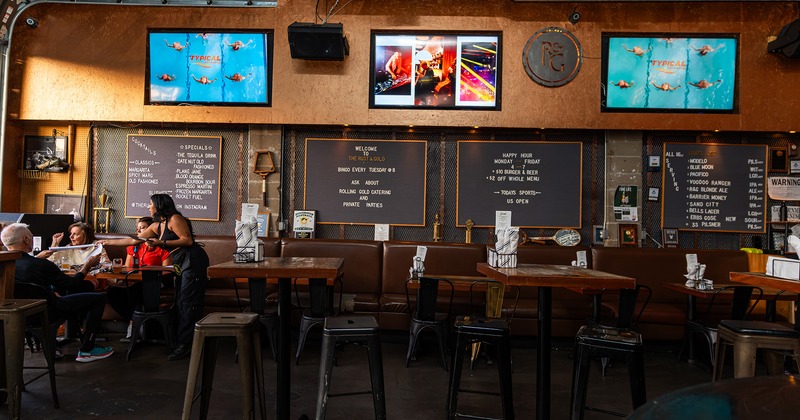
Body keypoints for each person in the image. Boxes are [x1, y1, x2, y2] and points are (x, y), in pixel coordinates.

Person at [101, 194, 209, 361]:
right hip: (182, 262)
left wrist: (162, 244)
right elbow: (133, 240)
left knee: (188, 302)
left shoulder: (175, 219)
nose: (148, 207)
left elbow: (187, 241)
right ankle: (183, 341)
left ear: (159, 205)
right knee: (181, 301)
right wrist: (105, 243)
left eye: (150, 204)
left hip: (193, 260)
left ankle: (186, 345)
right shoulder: (157, 226)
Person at [1, 223, 113, 363]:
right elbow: (71, 284)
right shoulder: (40, 265)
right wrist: (86, 267)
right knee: (97, 299)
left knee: (58, 293)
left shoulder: (4, 265)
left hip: (17, 317)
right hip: (48, 313)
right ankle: (87, 349)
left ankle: (54, 344)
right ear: (25, 240)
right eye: (31, 236)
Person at [106, 216, 173, 342]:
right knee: (113, 292)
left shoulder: (162, 248)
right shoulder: (133, 248)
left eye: (142, 228)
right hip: (134, 281)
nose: (138, 231)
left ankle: (136, 328)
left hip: (156, 282)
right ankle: (135, 321)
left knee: (136, 292)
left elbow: (167, 272)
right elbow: (127, 267)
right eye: (137, 229)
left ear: (152, 230)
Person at [38, 222, 108, 290]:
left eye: (75, 234)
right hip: (70, 280)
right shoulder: (69, 248)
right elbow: (50, 262)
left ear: (85, 236)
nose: (71, 237)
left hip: (89, 280)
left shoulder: (97, 247)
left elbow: (106, 265)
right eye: (71, 234)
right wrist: (55, 244)